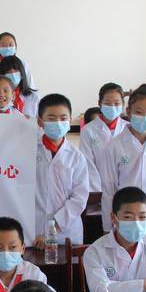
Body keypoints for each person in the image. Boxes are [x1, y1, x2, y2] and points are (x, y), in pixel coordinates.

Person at [97, 86, 146, 246]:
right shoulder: (114, 146)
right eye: (139, 112)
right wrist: (107, 227)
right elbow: (109, 189)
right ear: (128, 111)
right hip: (126, 219)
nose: (145, 118)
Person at [34, 94, 91, 248]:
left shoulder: (76, 157)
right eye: (51, 118)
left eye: (63, 118)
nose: (58, 123)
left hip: (66, 234)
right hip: (34, 233)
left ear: (70, 120)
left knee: (66, 263)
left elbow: (79, 199)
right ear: (40, 121)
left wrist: (53, 228)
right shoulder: (29, 150)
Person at [77, 82, 127, 192]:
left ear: (123, 104)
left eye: (117, 103)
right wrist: (98, 191)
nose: (112, 107)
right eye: (107, 103)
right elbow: (88, 164)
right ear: (100, 103)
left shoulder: (128, 128)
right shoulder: (88, 130)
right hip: (98, 189)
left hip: (125, 188)